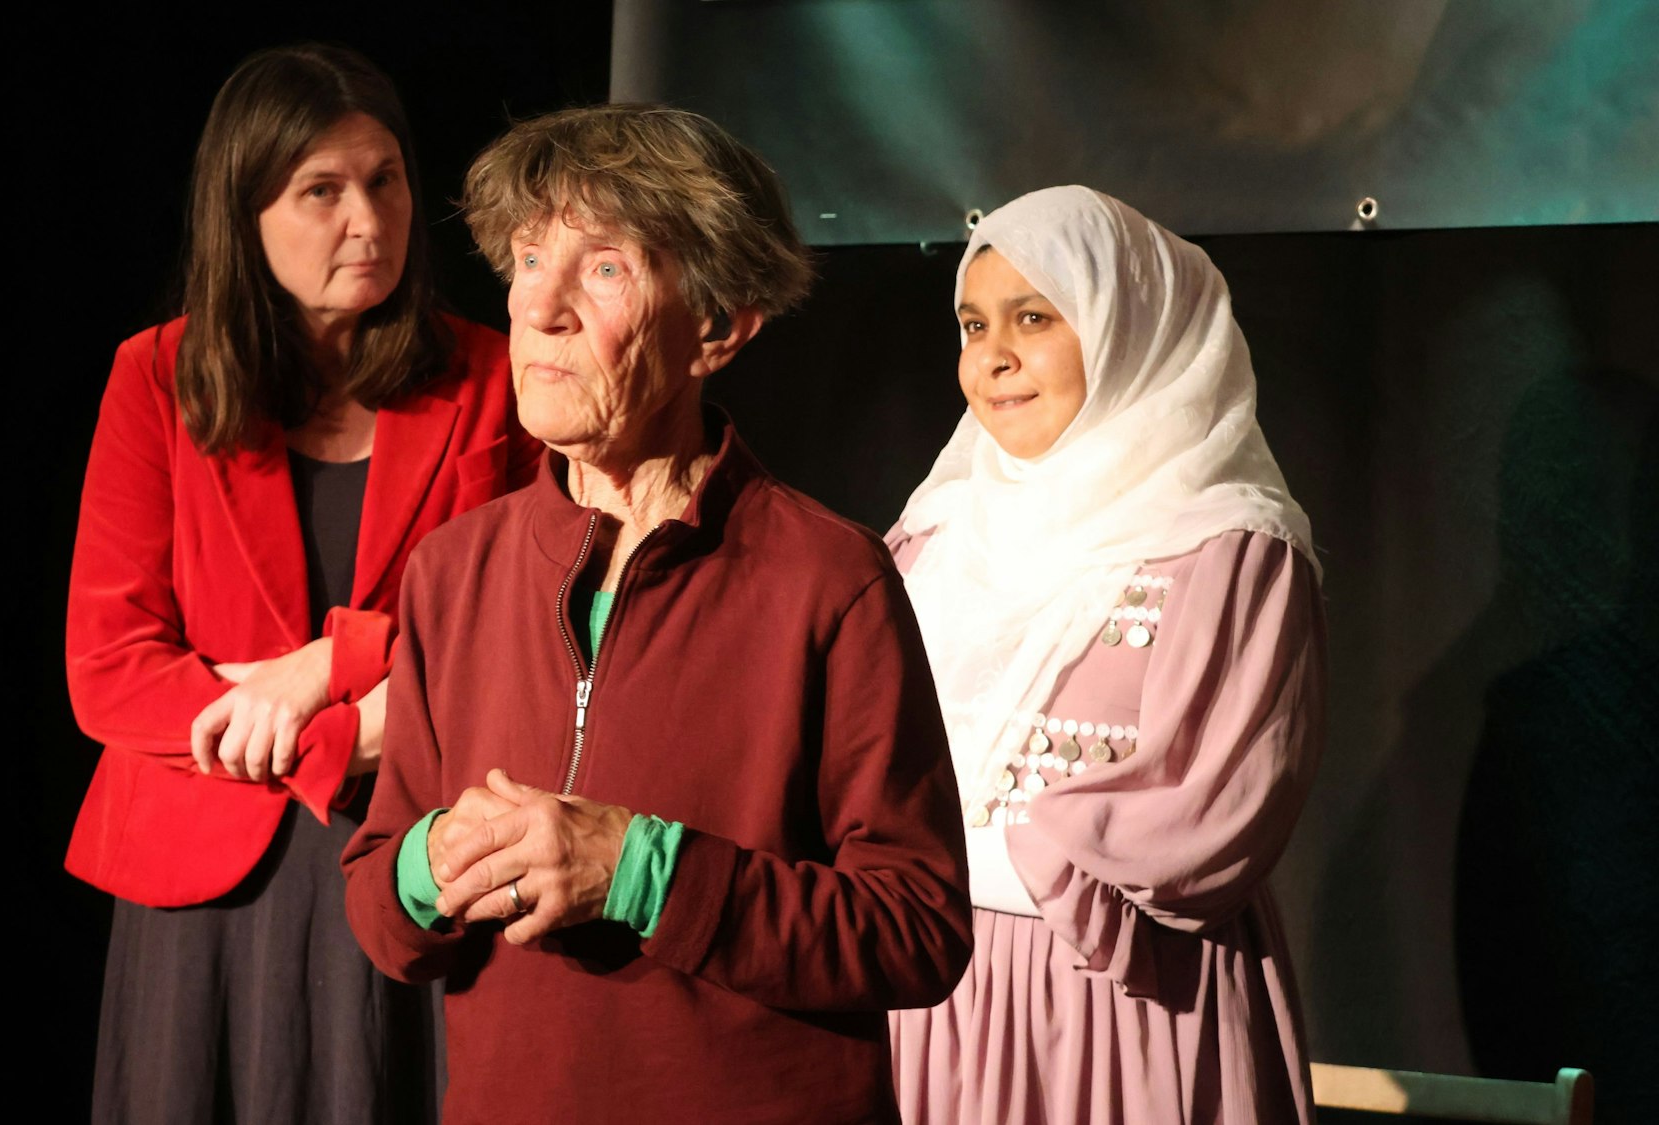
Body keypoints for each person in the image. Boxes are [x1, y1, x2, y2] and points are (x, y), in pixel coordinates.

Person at [339, 104, 974, 1123]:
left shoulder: (828, 577)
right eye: (527, 257)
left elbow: (913, 929)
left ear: (717, 328)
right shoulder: (452, 571)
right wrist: (431, 862)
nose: (537, 307)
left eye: (603, 269)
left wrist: (638, 871)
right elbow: (379, 906)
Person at [63, 43, 538, 1124]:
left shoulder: (491, 376)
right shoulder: (156, 377)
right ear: (245, 211)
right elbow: (109, 671)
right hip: (204, 884)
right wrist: (343, 735)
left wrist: (333, 667)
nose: (367, 221)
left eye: (384, 180)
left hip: (415, 852)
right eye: (320, 191)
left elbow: (517, 625)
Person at [886, 186, 1325, 1124]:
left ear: (1132, 326)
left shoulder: (1230, 547)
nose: (993, 355)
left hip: (1113, 1004)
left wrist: (947, 862)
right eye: (973, 323)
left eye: (1034, 317)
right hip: (920, 1001)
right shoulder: (929, 538)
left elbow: (1213, 811)